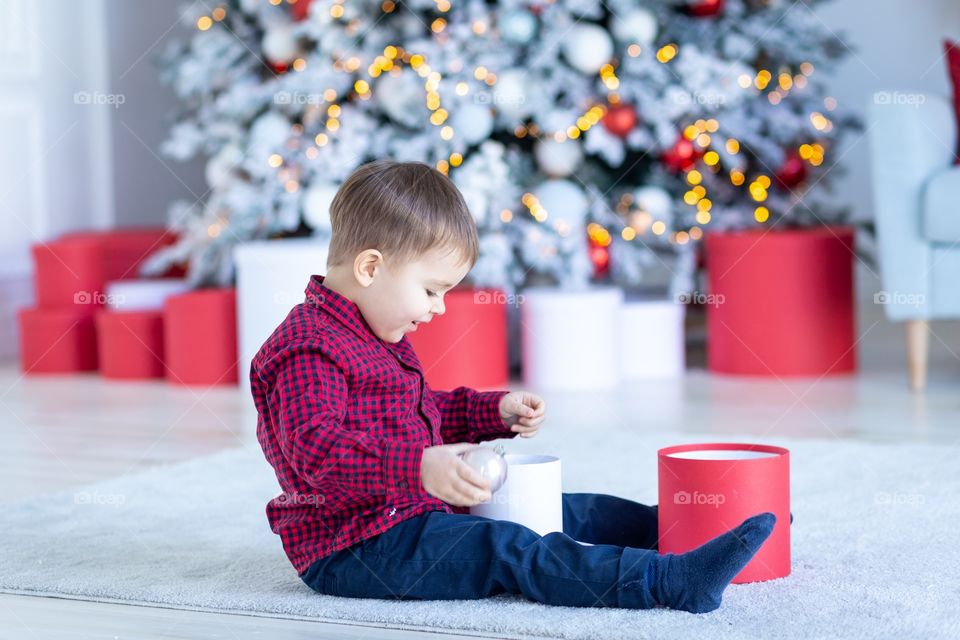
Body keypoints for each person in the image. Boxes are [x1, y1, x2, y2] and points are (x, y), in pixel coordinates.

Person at [251, 160, 775, 614]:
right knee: (510, 546)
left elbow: (420, 409)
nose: (437, 307)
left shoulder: (375, 328)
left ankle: (695, 530)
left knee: (564, 507)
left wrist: (490, 411)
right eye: (431, 290)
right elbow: (318, 453)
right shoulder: (308, 349)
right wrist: (419, 467)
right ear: (370, 267)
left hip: (415, 506)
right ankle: (668, 583)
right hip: (356, 546)